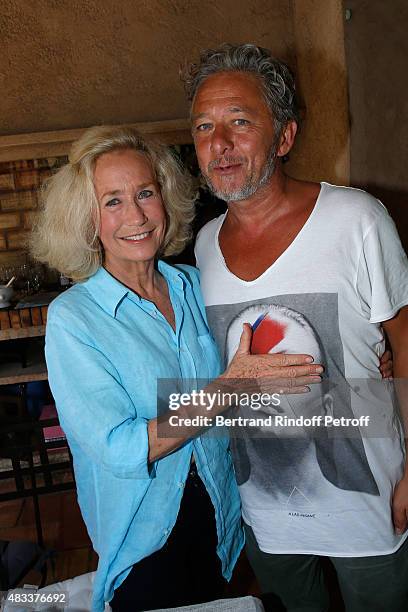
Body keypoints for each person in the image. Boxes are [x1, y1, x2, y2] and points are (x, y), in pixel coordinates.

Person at [30, 125, 322, 612]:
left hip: (220, 511)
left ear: (165, 197)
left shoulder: (192, 284)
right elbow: (116, 446)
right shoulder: (73, 317)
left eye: (146, 193)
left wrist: (367, 352)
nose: (137, 216)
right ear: (88, 220)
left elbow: (261, 338)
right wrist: (227, 389)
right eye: (113, 201)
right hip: (146, 530)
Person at [182, 43, 408, 611]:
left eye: (240, 121)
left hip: (370, 502)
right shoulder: (202, 249)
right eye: (205, 126)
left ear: (283, 137)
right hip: (264, 514)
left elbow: (405, 343)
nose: (220, 143)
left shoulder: (355, 218)